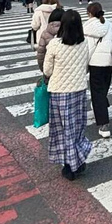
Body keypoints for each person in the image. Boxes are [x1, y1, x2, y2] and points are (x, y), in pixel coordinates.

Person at [42, 10, 91, 180]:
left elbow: (47, 70)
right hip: (78, 89)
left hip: (59, 91)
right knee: (77, 127)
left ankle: (69, 165)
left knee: (62, 129)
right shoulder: (84, 43)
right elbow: (85, 67)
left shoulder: (55, 44)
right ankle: (78, 158)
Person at [83, 2, 112, 139]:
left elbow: (87, 48)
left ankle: (103, 124)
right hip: (109, 61)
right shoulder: (109, 24)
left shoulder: (87, 27)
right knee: (104, 89)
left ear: (90, 14)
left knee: (97, 92)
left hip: (95, 62)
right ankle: (102, 104)